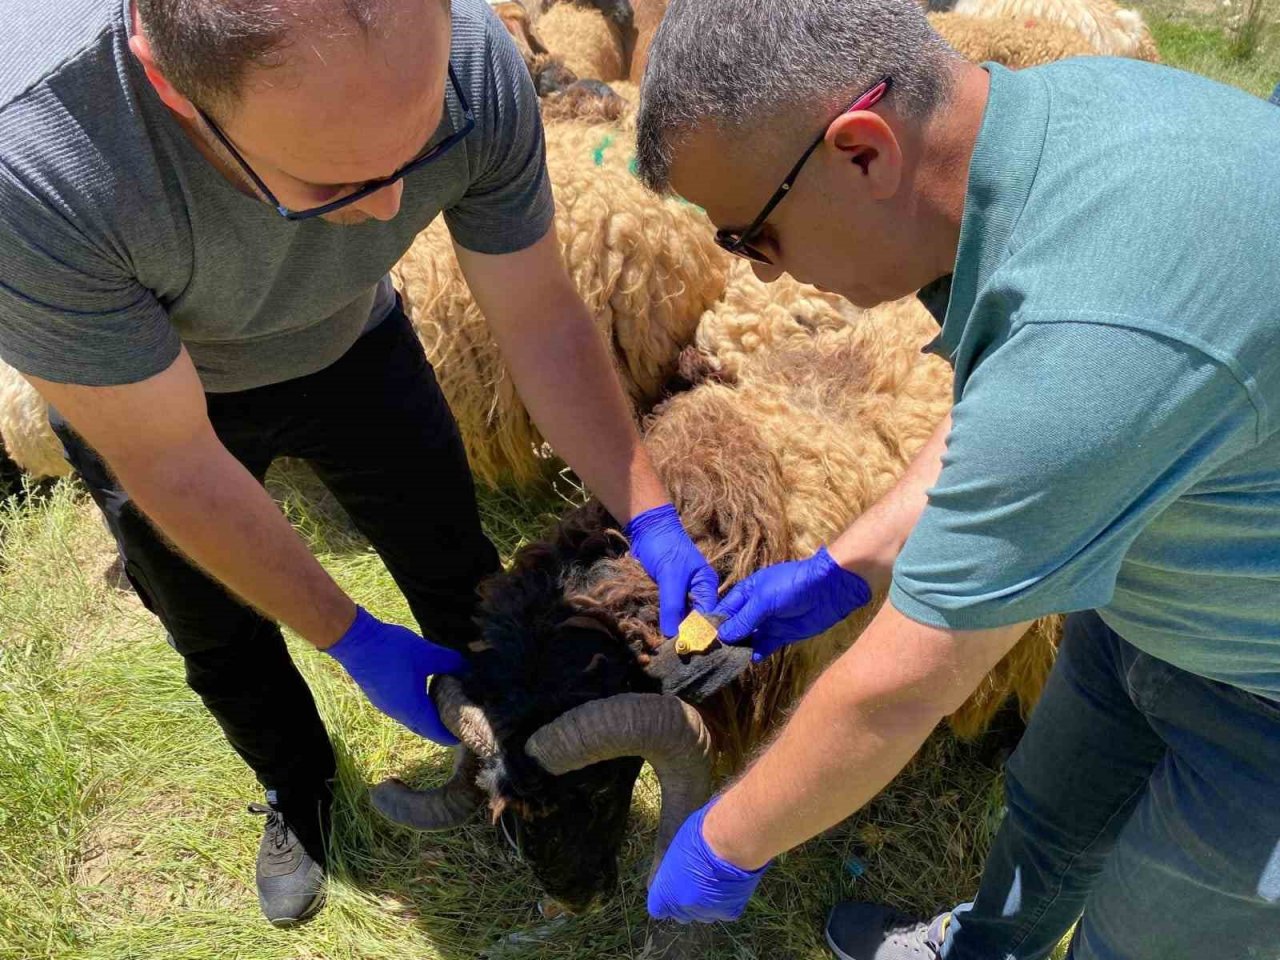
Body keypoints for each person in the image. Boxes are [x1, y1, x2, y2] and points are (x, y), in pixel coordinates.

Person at [0, 0, 717, 927]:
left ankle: (504, 757)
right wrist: (346, 632)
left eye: (417, 150)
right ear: (174, 88)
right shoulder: (40, 165)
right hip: (157, 395)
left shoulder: (465, 60)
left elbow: (540, 316)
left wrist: (648, 511)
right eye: (333, 183)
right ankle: (296, 790)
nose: (390, 211)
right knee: (216, 625)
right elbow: (173, 459)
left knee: (455, 564)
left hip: (354, 344)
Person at [632, 1, 1280, 958]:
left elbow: (899, 691)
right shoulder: (1057, 127)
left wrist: (728, 843)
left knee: (1150, 940)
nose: (760, 280)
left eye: (749, 237)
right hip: (1161, 591)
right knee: (1051, 813)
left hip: (1263, 693)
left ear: (862, 151)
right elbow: (1014, 412)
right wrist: (846, 566)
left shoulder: (1095, 337)